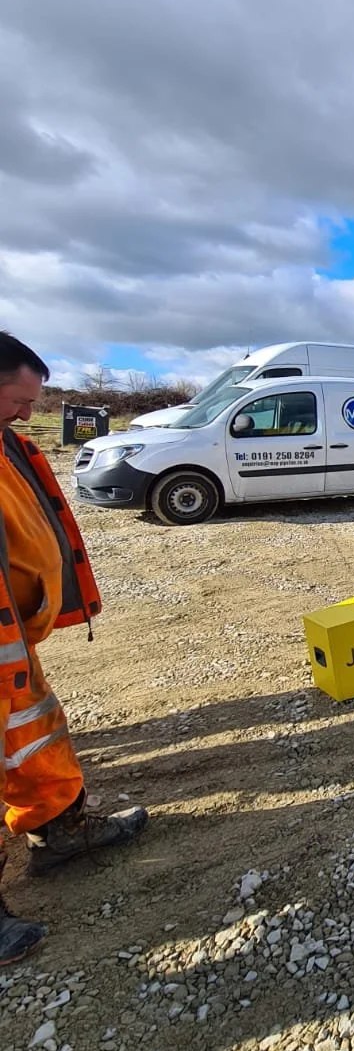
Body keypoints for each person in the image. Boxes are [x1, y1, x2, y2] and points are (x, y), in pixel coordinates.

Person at [0, 333, 148, 964]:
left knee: (32, 734)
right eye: (17, 399)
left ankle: (60, 828)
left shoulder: (7, 443)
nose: (28, 414)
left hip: (10, 638)